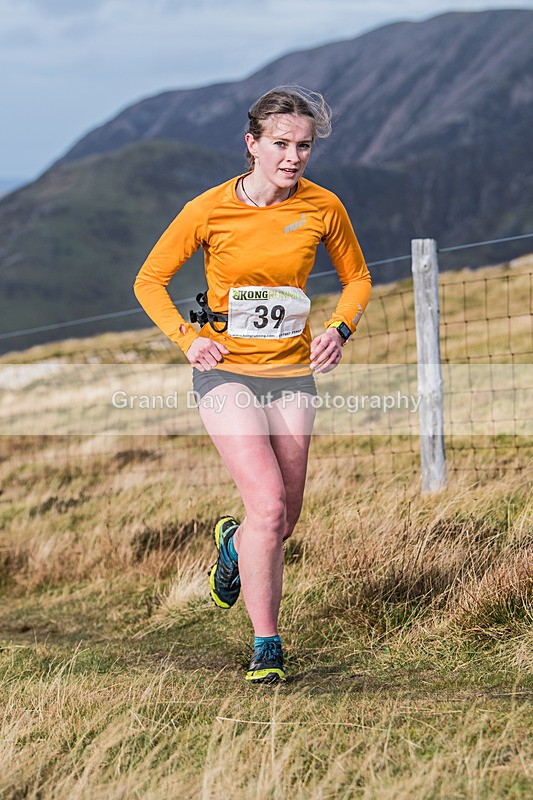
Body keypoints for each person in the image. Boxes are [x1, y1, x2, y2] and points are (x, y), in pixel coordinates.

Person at [133, 85, 372, 684]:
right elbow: (149, 282)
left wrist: (340, 330)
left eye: (304, 146)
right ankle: (267, 644)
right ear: (253, 145)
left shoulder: (323, 207)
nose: (294, 157)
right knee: (266, 505)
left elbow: (359, 279)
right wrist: (190, 341)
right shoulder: (209, 209)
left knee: (283, 518)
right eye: (282, 144)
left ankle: (233, 545)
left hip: (292, 375)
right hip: (226, 373)